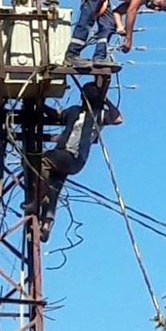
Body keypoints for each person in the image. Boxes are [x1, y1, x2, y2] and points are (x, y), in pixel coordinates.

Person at [36, 81, 122, 242]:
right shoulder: (73, 111)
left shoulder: (98, 114)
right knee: (54, 188)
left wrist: (106, 100)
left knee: (45, 160)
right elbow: (57, 115)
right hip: (63, 155)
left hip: (74, 157)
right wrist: (40, 102)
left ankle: (37, 197)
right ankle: (45, 225)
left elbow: (117, 119)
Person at [64, 0, 166, 67]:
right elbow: (131, 11)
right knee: (88, 18)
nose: (156, 9)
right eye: (160, 6)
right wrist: (128, 39)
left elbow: (117, 12)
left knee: (108, 25)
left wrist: (120, 26)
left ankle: (99, 58)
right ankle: (72, 54)